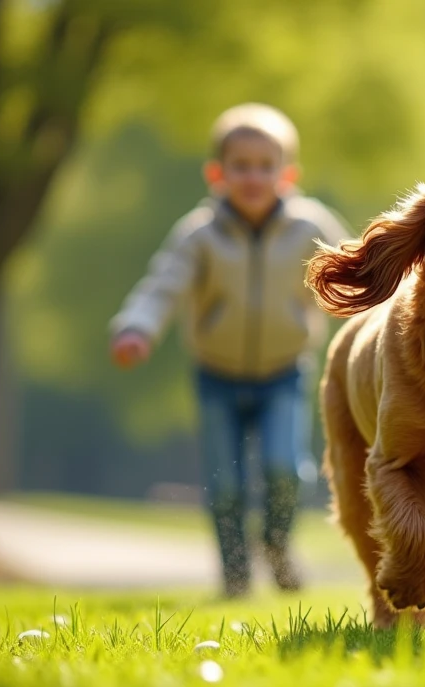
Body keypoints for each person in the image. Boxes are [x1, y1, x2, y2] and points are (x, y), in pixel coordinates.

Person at [110, 103, 349, 598]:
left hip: (284, 372)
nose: (254, 177)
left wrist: (379, 318)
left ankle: (278, 546)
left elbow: (351, 276)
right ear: (217, 174)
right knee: (226, 487)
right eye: (241, 166)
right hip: (216, 375)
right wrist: (138, 328)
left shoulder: (310, 228)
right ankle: (235, 574)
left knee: (287, 469)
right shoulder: (199, 235)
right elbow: (162, 286)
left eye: (266, 166)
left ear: (289, 174)